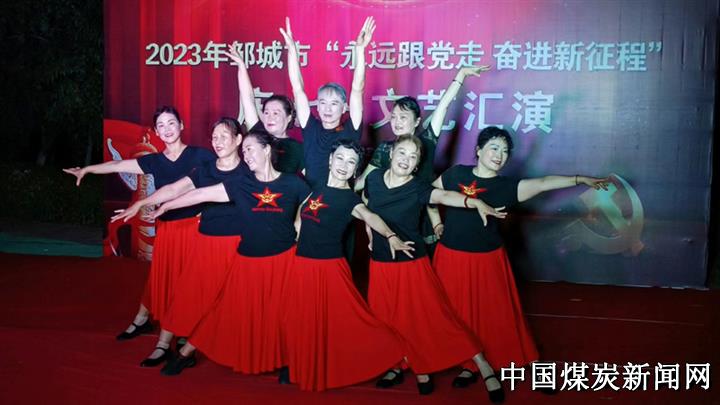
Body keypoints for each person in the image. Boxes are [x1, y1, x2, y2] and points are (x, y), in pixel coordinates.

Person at [431, 126, 609, 387]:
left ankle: (496, 361)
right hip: (450, 257)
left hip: (486, 259)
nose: (499, 155)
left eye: (505, 151)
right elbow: (429, 196)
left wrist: (580, 179)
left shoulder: (507, 187)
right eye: (494, 148)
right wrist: (436, 224)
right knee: (456, 313)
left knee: (493, 314)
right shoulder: (456, 174)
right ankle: (468, 364)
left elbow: (544, 183)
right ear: (478, 150)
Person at [149, 130, 310, 377]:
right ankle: (185, 354)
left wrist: (299, 224)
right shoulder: (241, 184)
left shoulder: (293, 183)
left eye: (250, 149)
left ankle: (289, 361)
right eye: (243, 151)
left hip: (284, 260)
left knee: (286, 314)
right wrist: (166, 206)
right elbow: (201, 194)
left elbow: (311, 206)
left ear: (267, 150)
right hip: (249, 260)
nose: (246, 155)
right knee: (225, 310)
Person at [63, 106, 214, 367]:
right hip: (167, 229)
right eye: (161, 126)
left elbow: (220, 182)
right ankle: (155, 326)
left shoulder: (201, 156)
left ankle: (175, 338)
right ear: (156, 132)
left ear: (182, 125)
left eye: (171, 123)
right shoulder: (154, 160)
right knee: (164, 281)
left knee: (188, 284)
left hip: (194, 229)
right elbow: (117, 164)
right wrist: (86, 169)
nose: (167, 129)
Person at [363, 134, 507, 402]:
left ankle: (482, 364)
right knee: (387, 320)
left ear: (417, 164)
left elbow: (444, 195)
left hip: (412, 264)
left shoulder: (418, 188)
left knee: (436, 318)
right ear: (391, 154)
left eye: (413, 157)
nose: (406, 160)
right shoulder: (373, 179)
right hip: (380, 264)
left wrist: (474, 201)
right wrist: (371, 234)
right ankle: (404, 365)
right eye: (402, 153)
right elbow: (367, 207)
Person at [110, 117, 245, 368]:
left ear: (238, 140)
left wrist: (166, 206)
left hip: (237, 244)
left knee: (222, 299)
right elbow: (175, 188)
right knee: (186, 293)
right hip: (207, 240)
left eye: (224, 137)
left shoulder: (247, 171)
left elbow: (201, 194)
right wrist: (143, 204)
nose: (217, 142)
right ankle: (163, 344)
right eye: (214, 137)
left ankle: (188, 347)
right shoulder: (207, 168)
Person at [284, 139, 413, 391]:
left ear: (356, 170)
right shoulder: (316, 189)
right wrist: (296, 230)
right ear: (330, 160)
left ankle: (398, 352)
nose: (344, 165)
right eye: (340, 158)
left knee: (351, 321)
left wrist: (390, 235)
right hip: (303, 267)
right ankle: (308, 369)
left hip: (329, 269)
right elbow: (302, 213)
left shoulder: (349, 199)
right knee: (306, 323)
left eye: (351, 161)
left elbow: (370, 216)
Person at [280, 16, 374, 187]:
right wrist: (292, 50)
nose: (327, 109)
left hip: (339, 197)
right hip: (312, 197)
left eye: (334, 103)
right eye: (323, 103)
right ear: (317, 106)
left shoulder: (351, 129)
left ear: (344, 108)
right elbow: (298, 88)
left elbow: (357, 89)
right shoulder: (311, 127)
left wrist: (360, 50)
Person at [224, 47, 303, 173]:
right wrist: (241, 66)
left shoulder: (297, 148)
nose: (270, 117)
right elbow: (248, 99)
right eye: (266, 113)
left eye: (276, 113)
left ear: (289, 117)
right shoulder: (258, 134)